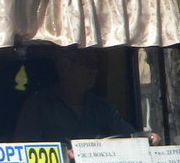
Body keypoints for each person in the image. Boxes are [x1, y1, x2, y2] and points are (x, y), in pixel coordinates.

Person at [14, 51, 158, 144]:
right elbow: (25, 151)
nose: (93, 71)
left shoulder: (102, 108)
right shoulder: (37, 106)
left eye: (95, 65)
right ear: (64, 68)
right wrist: (63, 155)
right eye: (87, 63)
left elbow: (129, 137)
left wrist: (146, 138)